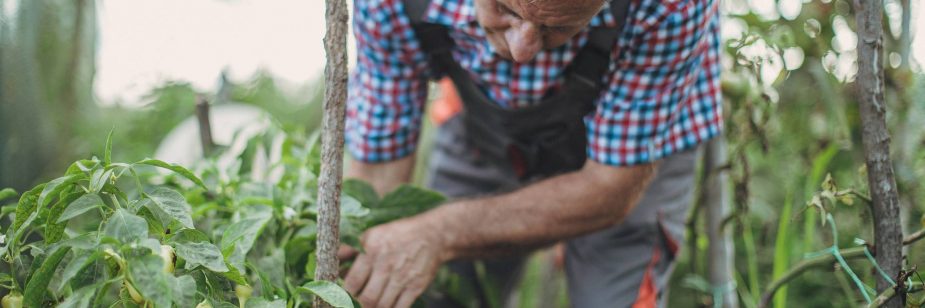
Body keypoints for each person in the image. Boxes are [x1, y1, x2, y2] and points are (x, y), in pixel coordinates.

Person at [340, 0, 722, 306]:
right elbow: (378, 172)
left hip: (635, 149)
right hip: (482, 127)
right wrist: (361, 251)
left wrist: (438, 232)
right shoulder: (388, 3)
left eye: (558, 27)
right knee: (442, 291)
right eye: (505, 9)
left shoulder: (672, 6)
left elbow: (610, 190)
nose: (523, 51)